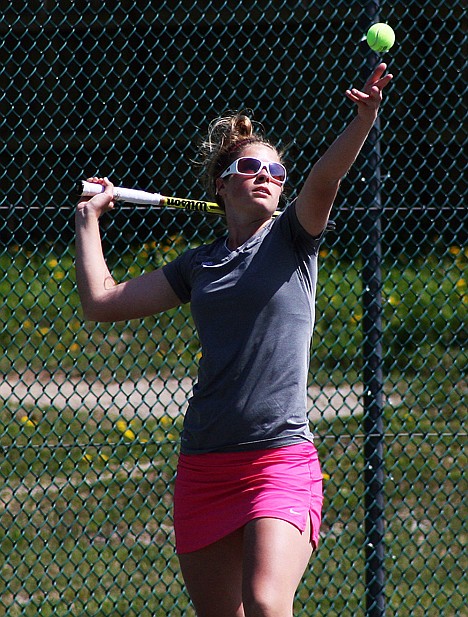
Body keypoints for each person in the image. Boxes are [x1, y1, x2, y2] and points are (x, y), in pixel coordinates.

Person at [75, 63, 393, 617]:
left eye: (276, 169)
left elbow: (326, 179)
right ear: (224, 185)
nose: (267, 175)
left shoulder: (294, 238)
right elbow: (102, 301)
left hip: (279, 458)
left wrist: (362, 121)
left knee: (267, 603)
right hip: (205, 464)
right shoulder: (199, 265)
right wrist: (88, 222)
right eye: (252, 167)